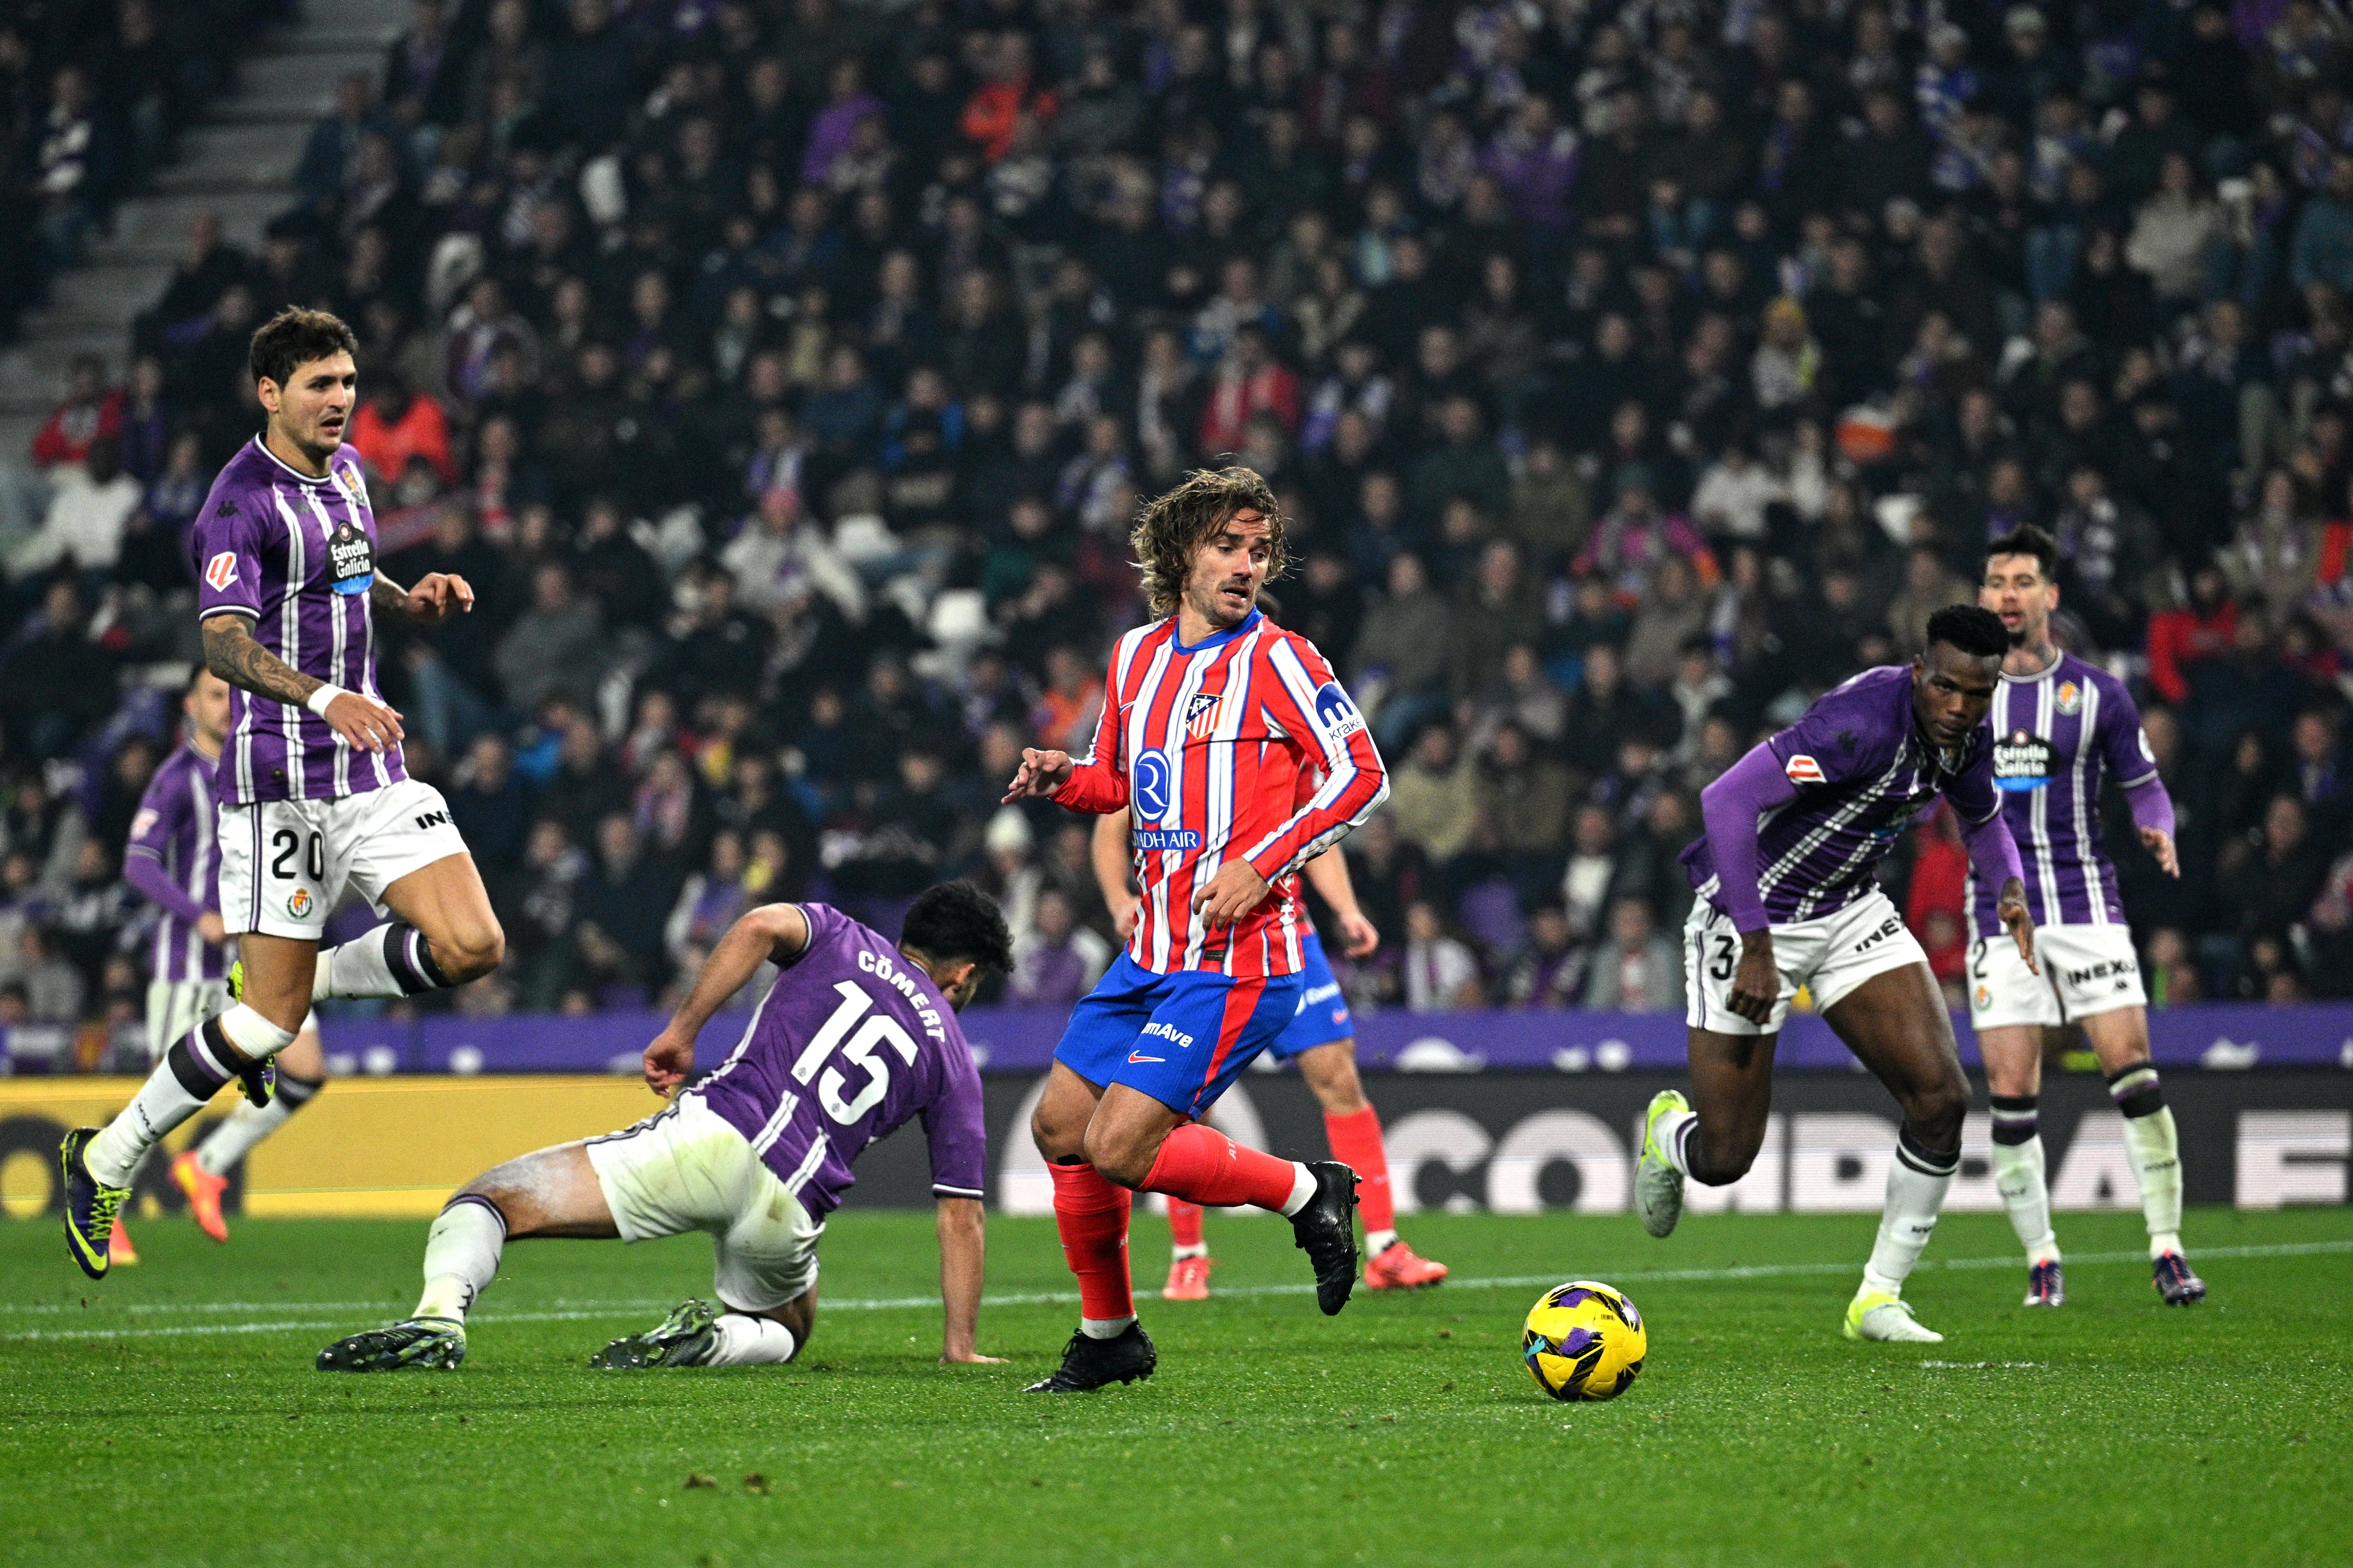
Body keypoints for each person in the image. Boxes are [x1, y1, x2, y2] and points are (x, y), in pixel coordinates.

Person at [61, 308, 504, 1280]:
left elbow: (343, 576)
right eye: (320, 384)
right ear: (271, 392)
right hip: (279, 785)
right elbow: (221, 641)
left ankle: (306, 979)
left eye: (347, 381)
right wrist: (324, 693)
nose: (342, 399)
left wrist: (405, 598)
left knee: (475, 942)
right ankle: (104, 1157)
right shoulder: (236, 502)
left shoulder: (346, 475)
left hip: (370, 767)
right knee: (264, 1023)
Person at [1001, 466, 1388, 1392]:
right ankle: (1109, 1335)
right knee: (1063, 1126)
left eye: (1259, 550)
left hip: (1236, 961)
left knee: (1119, 1147)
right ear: (1178, 554)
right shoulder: (1134, 655)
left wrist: (1269, 860)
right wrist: (1064, 777)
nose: (1247, 564)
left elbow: (1361, 774)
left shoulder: (1283, 659)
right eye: (1227, 545)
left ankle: (1306, 1191)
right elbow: (1118, 780)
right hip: (1153, 953)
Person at [315, 883, 1013, 1372]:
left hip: (710, 1141)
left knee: (489, 1201)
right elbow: (962, 1216)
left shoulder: (839, 934)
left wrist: (682, 1032)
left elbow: (757, 927)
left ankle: (439, 1315)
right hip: (790, 1209)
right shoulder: (954, 1057)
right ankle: (712, 1343)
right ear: (965, 974)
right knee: (786, 1329)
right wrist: (960, 1345)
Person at [1635, 604, 2035, 1344]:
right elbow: (1725, 800)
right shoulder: (1859, 724)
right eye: (1945, 688)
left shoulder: (1967, 736)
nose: (1958, 707)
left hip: (1851, 912)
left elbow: (1981, 819)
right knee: (1726, 1159)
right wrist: (1756, 943)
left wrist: (2007, 884)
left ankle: (1878, 1297)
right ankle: (1670, 1137)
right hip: (1750, 916)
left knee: (1943, 1099)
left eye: (1976, 694)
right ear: (1920, 674)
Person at [1973, 526, 2203, 1307]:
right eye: (1998, 581)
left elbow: (2143, 782)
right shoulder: (1958, 692)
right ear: (1982, 597)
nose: (2009, 594)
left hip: (2086, 905)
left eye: (2023, 581)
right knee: (2010, 1087)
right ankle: (2042, 1258)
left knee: (2132, 1069)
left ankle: (2168, 1248)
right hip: (1999, 914)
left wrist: (2159, 822)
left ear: (2050, 595)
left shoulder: (2098, 692)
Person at [1091, 807, 1447, 1300]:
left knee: (1339, 1079)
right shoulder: (1161, 736)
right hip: (1197, 938)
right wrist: (1117, 900)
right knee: (1184, 1098)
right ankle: (1188, 1255)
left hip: (1283, 932)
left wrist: (1344, 908)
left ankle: (1384, 1248)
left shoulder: (1279, 739)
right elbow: (1113, 821)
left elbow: (1315, 830)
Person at [120, 668, 331, 1252]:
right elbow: (139, 862)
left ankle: (207, 1165)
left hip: (260, 957)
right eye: (215, 695)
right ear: (190, 705)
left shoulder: (257, 769)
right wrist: (199, 916)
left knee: (307, 1070)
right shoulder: (176, 777)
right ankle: (105, 1194)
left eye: (235, 694)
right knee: (163, 1095)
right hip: (190, 960)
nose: (227, 705)